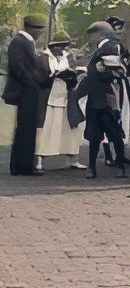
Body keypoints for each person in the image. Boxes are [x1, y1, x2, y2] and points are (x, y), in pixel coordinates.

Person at [3, 15, 54, 175]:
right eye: (38, 29)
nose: (39, 33)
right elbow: (19, 68)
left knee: (26, 128)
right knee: (26, 129)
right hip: (26, 90)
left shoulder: (26, 42)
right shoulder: (19, 42)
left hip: (29, 89)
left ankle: (21, 165)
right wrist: (35, 82)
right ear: (29, 28)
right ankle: (23, 166)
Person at [81, 21, 129, 178]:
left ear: (100, 34)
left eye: (93, 34)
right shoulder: (103, 47)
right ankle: (93, 167)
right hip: (97, 97)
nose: (91, 38)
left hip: (106, 97)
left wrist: (97, 71)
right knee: (96, 135)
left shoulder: (109, 47)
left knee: (113, 133)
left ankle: (116, 166)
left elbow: (117, 72)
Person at [36, 35, 85, 171]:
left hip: (66, 97)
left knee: (71, 129)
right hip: (49, 98)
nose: (63, 49)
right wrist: (52, 76)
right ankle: (39, 159)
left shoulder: (67, 58)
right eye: (60, 46)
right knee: (46, 129)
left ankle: (73, 159)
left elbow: (73, 73)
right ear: (53, 46)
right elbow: (39, 77)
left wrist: (71, 76)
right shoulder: (43, 58)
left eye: (64, 46)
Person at [102, 17, 130, 168]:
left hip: (121, 84)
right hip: (111, 84)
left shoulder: (121, 47)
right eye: (117, 29)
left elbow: (128, 69)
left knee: (122, 116)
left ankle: (120, 153)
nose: (120, 32)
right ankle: (109, 155)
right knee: (110, 117)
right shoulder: (106, 46)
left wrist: (126, 66)